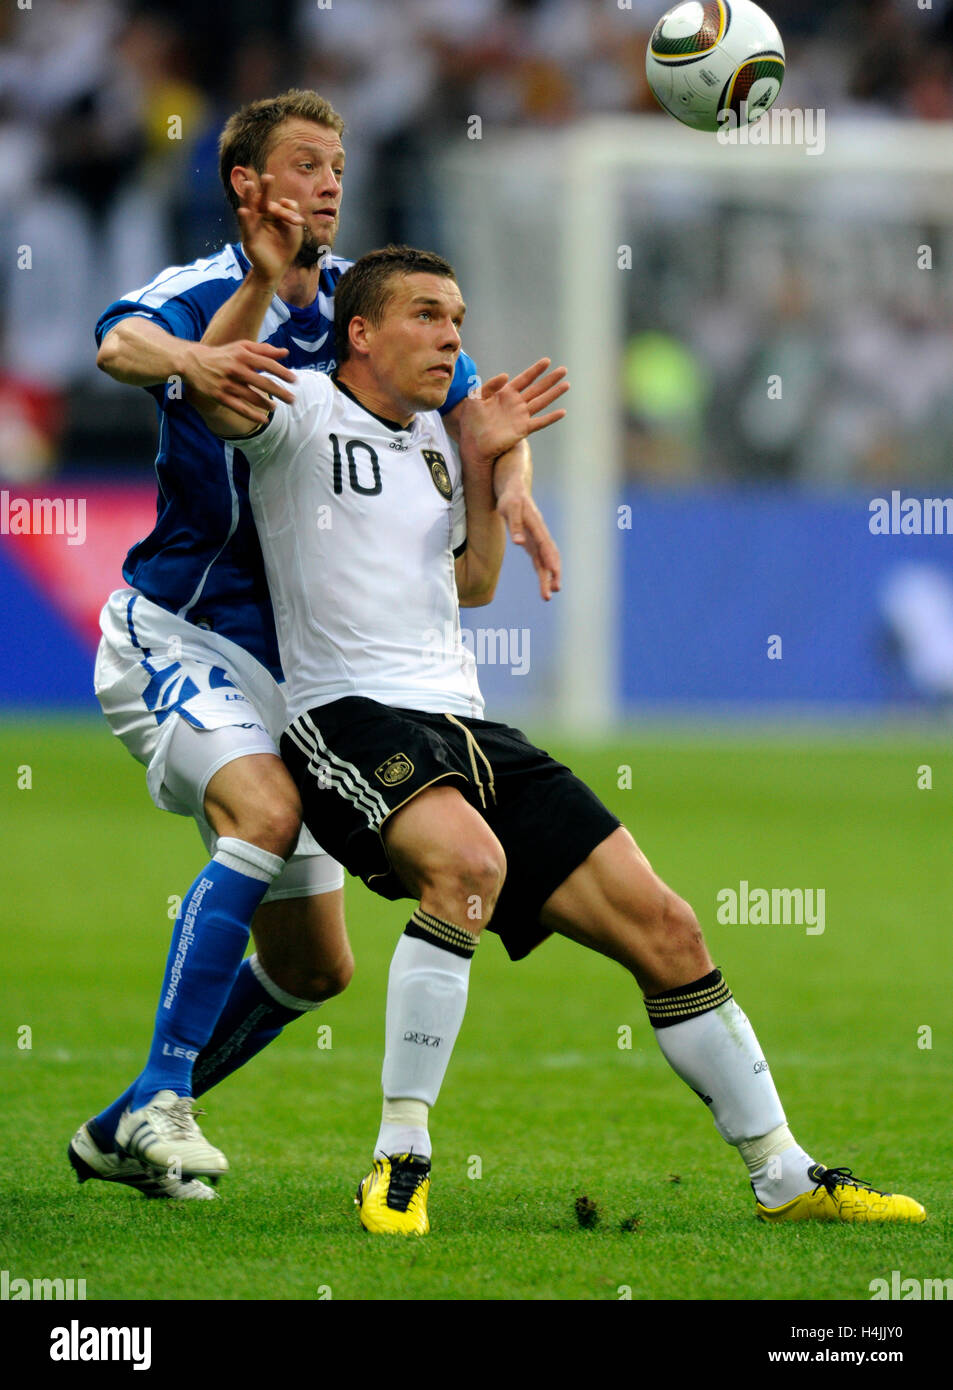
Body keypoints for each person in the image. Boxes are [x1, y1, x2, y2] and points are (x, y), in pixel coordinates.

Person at [192, 241, 927, 1235]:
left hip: (468, 720)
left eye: (455, 316)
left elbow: (474, 583)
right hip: (347, 716)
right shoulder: (301, 413)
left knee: (666, 927)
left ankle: (783, 1174)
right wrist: (253, 283)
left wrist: (496, 472)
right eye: (423, 314)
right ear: (358, 331)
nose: (449, 334)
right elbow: (205, 387)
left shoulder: (439, 442)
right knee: (466, 865)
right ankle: (398, 1159)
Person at [69, 89, 559, 1200]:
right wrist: (192, 363)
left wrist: (513, 487)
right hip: (185, 629)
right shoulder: (197, 292)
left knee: (313, 965)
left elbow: (480, 412)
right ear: (248, 186)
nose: (331, 181)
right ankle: (160, 1098)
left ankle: (111, 1132)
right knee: (265, 810)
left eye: (338, 162)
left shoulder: (369, 310)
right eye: (305, 162)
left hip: (313, 673)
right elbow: (118, 346)